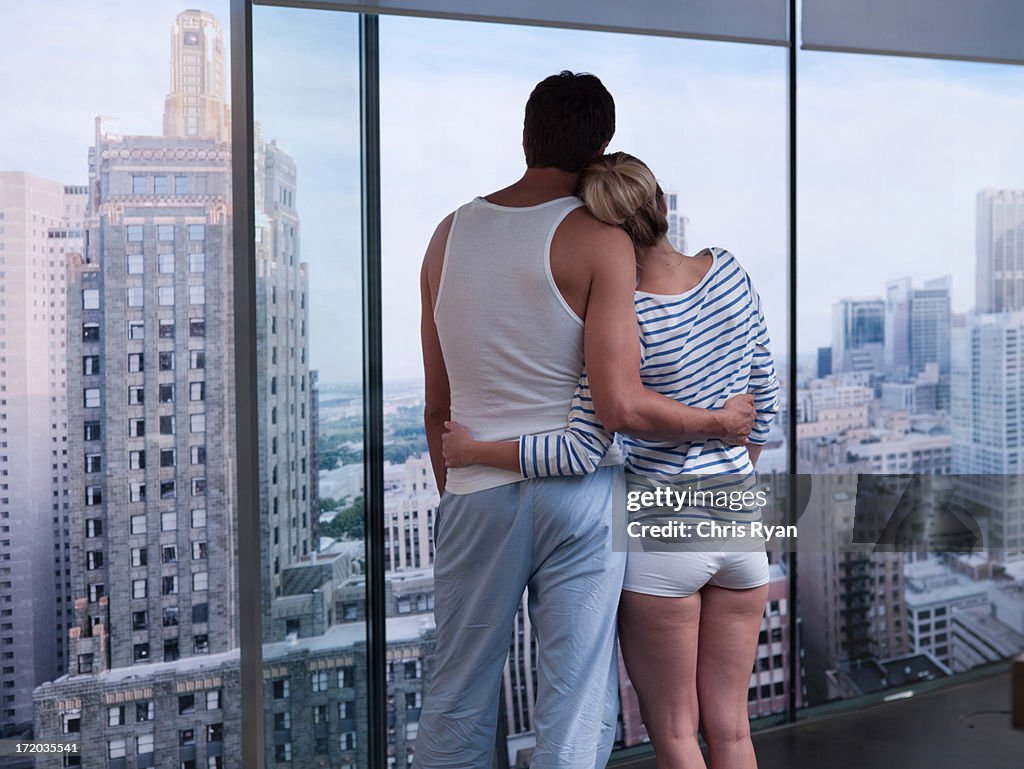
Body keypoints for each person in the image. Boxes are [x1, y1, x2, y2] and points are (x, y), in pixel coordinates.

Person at [415, 74, 757, 769]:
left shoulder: (447, 235)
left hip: (475, 485)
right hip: (581, 497)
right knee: (574, 702)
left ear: (524, 136)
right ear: (601, 144)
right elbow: (618, 401)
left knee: (457, 694)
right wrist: (720, 426)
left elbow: (436, 402)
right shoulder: (600, 239)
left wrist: (457, 483)